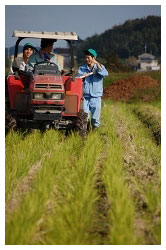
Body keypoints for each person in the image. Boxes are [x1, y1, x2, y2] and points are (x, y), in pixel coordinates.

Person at [78, 49, 108, 129]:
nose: (86, 59)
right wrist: (82, 76)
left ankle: (94, 131)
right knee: (84, 117)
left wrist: (97, 64)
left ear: (93, 58)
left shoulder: (100, 67)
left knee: (95, 119)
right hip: (85, 97)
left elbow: (105, 74)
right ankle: (85, 132)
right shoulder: (82, 68)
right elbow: (78, 79)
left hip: (96, 97)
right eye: (86, 58)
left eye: (88, 58)